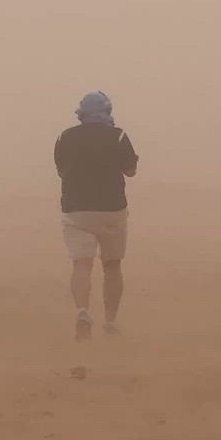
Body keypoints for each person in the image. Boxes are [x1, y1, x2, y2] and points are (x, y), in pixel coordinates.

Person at [54, 91, 138, 341]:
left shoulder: (64, 137)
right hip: (112, 209)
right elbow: (131, 170)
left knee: (81, 264)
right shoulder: (119, 136)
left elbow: (61, 171)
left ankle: (82, 312)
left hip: (76, 209)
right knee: (112, 265)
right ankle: (110, 321)